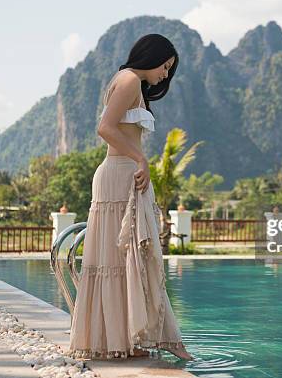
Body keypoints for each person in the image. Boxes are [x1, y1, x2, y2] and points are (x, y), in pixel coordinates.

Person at [68, 34, 193, 361]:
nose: (165, 75)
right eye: (165, 67)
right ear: (151, 56)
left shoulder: (128, 81)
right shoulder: (128, 82)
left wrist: (138, 162)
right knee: (124, 259)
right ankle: (129, 340)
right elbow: (106, 128)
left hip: (124, 175)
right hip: (120, 174)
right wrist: (140, 159)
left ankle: (126, 340)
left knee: (127, 260)